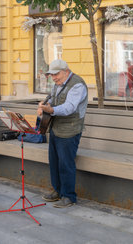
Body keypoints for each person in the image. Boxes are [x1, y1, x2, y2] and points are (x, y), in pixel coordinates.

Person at [37, 59, 88, 208]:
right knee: (54, 162)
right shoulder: (58, 84)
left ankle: (69, 196)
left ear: (66, 71)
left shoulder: (77, 84)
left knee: (66, 163)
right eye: (51, 75)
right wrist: (43, 106)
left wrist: (50, 110)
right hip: (56, 127)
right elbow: (52, 99)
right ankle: (58, 190)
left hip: (70, 129)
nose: (53, 78)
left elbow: (69, 108)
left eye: (56, 74)